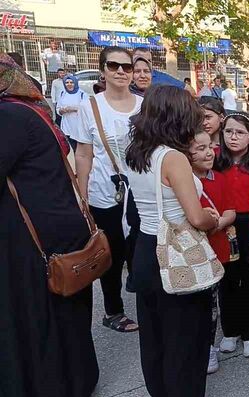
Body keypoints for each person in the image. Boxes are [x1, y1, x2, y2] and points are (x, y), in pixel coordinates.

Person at [0, 53, 99, 397]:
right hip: (55, 230)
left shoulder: (8, 117)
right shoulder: (30, 109)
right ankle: (76, 387)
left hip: (32, 240)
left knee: (38, 320)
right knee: (65, 316)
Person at [126, 85, 230, 397]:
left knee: (154, 334)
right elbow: (195, 217)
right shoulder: (173, 158)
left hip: (145, 246)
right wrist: (214, 220)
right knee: (185, 337)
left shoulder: (137, 152)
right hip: (175, 252)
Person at [74, 46, 141, 333]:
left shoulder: (144, 105)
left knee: (140, 250)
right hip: (106, 192)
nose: (121, 72)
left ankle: (149, 306)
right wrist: (82, 193)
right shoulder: (89, 107)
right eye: (114, 66)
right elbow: (83, 154)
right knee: (110, 252)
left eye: (127, 67)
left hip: (141, 190)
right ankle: (113, 310)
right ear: (103, 70)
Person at [213, 112, 249, 358]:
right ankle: (230, 330)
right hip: (223, 225)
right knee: (227, 279)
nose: (233, 137)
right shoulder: (214, 160)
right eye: (229, 131)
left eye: (240, 132)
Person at [187, 130, 236, 375]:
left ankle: (209, 348)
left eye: (210, 147)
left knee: (213, 301)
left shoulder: (220, 178)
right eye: (200, 149)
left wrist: (217, 223)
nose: (209, 153)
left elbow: (230, 210)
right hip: (193, 250)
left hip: (216, 248)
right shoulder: (183, 181)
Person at [56, 73, 86, 151]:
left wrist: (73, 109)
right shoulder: (63, 94)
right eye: (67, 82)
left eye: (71, 82)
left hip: (79, 127)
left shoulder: (81, 94)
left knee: (80, 150)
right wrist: (62, 110)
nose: (69, 84)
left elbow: (87, 109)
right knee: (72, 149)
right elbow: (58, 109)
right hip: (67, 127)